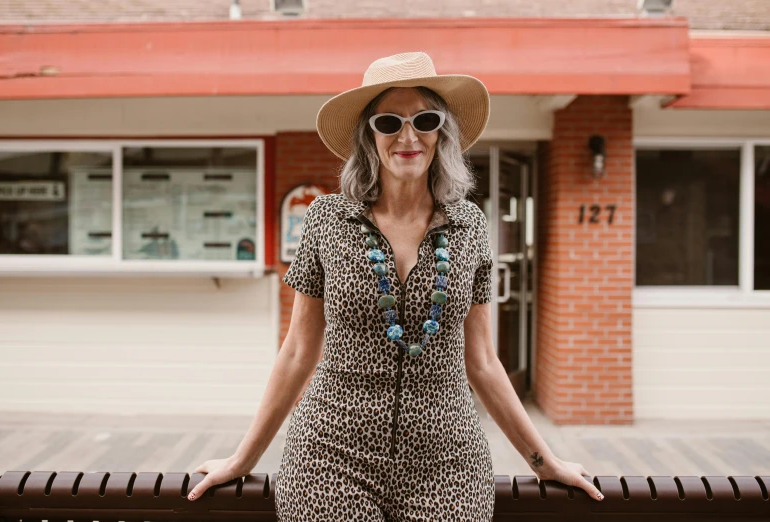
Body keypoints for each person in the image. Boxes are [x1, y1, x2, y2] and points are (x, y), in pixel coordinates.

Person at [188, 51, 604, 520]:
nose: (408, 136)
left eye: (424, 120)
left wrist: (543, 461)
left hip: (447, 461)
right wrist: (244, 458)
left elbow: (483, 361)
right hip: (330, 456)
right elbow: (298, 350)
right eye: (389, 123)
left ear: (441, 131)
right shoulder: (326, 219)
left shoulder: (470, 226)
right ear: (370, 135)